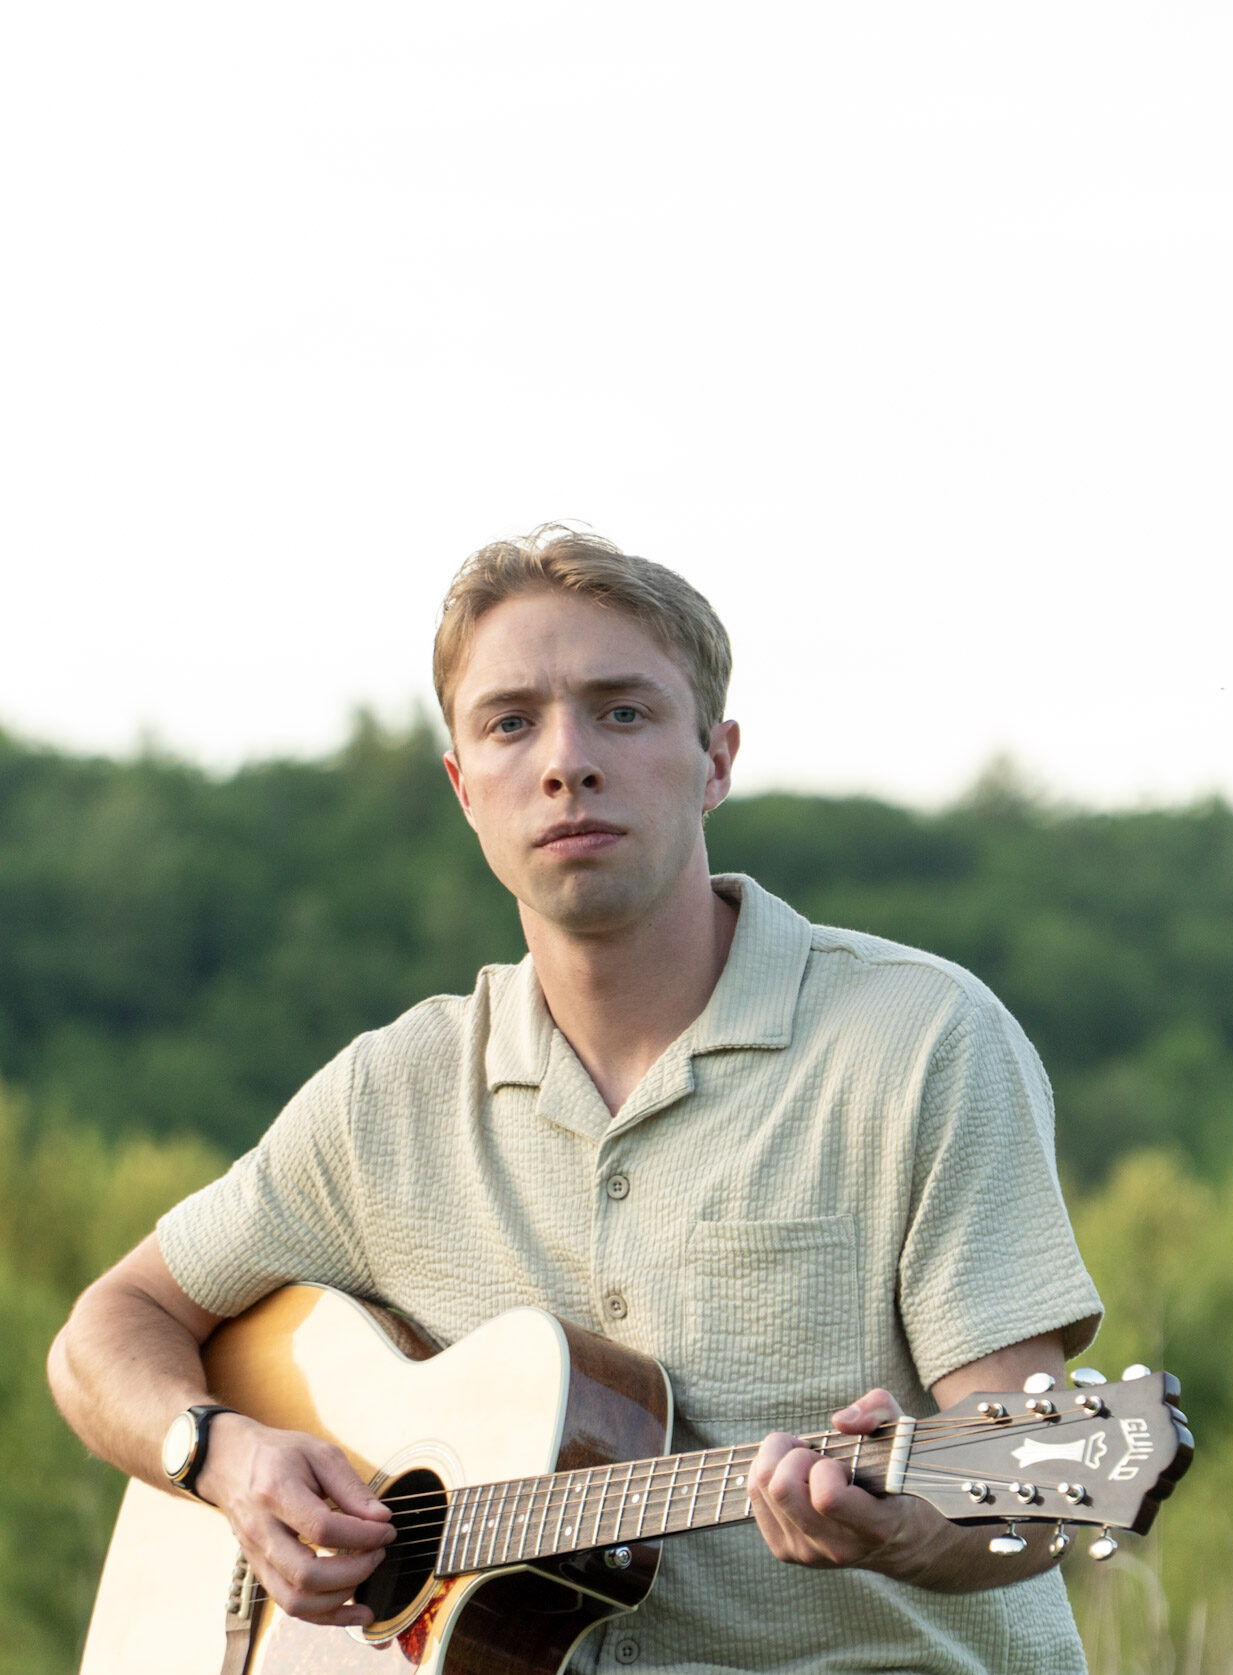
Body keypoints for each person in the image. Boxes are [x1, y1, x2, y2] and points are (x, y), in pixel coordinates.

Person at [49, 526, 1102, 1674]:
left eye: (622, 711)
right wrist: (224, 1456)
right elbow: (107, 1330)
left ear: (715, 760)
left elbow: (1035, 1487)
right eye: (510, 722)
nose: (565, 762)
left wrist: (902, 1528)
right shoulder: (387, 1096)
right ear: (463, 786)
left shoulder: (922, 1040)